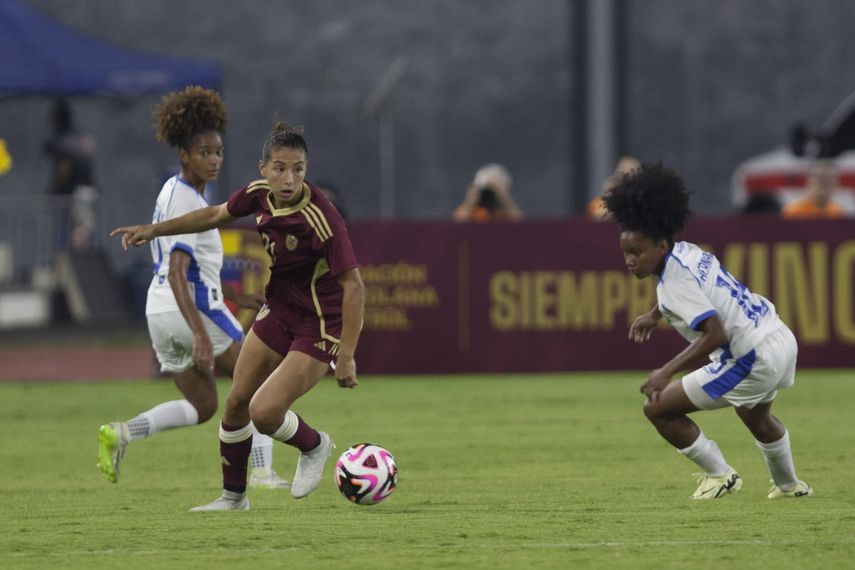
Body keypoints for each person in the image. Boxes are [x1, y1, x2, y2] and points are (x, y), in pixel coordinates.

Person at [111, 121, 365, 511]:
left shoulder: (322, 218)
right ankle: (233, 498)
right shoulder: (257, 194)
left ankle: (315, 445)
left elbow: (355, 287)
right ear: (263, 168)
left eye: (298, 169)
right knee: (235, 404)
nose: (289, 178)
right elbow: (214, 214)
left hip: (318, 323)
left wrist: (346, 355)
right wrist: (155, 230)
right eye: (280, 168)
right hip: (278, 310)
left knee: (264, 413)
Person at [97, 86, 289, 490]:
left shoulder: (170, 191)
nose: (214, 159)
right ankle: (261, 473)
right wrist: (201, 333)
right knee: (258, 382)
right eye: (205, 152)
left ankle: (123, 432)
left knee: (204, 404)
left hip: (159, 313)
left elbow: (187, 268)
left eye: (218, 151)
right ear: (184, 154)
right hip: (191, 310)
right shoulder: (187, 201)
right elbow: (180, 271)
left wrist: (236, 298)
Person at [602, 161, 813, 500]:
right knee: (755, 416)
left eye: (637, 252)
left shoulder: (674, 281)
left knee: (657, 408)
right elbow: (697, 291)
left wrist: (666, 371)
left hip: (751, 357)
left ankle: (720, 475)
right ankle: (790, 486)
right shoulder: (688, 252)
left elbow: (715, 333)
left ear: (660, 246)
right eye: (626, 252)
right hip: (778, 336)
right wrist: (655, 314)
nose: (630, 260)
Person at [42, 98, 99, 250]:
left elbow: (64, 169)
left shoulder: (64, 141)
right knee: (85, 234)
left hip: (74, 195)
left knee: (71, 237)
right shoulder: (78, 137)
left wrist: (53, 190)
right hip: (86, 192)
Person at [452, 163, 523, 222]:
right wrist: (470, 201)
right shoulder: (472, 209)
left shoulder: (507, 210)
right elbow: (456, 224)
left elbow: (521, 225)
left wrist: (503, 197)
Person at [781, 160, 846, 218]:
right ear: (808, 181)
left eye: (829, 179)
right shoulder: (793, 212)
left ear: (836, 184)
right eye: (820, 178)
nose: (824, 183)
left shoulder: (838, 213)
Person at [587, 155, 641, 221]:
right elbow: (598, 216)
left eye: (629, 176)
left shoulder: (642, 205)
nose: (624, 180)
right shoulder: (598, 204)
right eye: (620, 175)